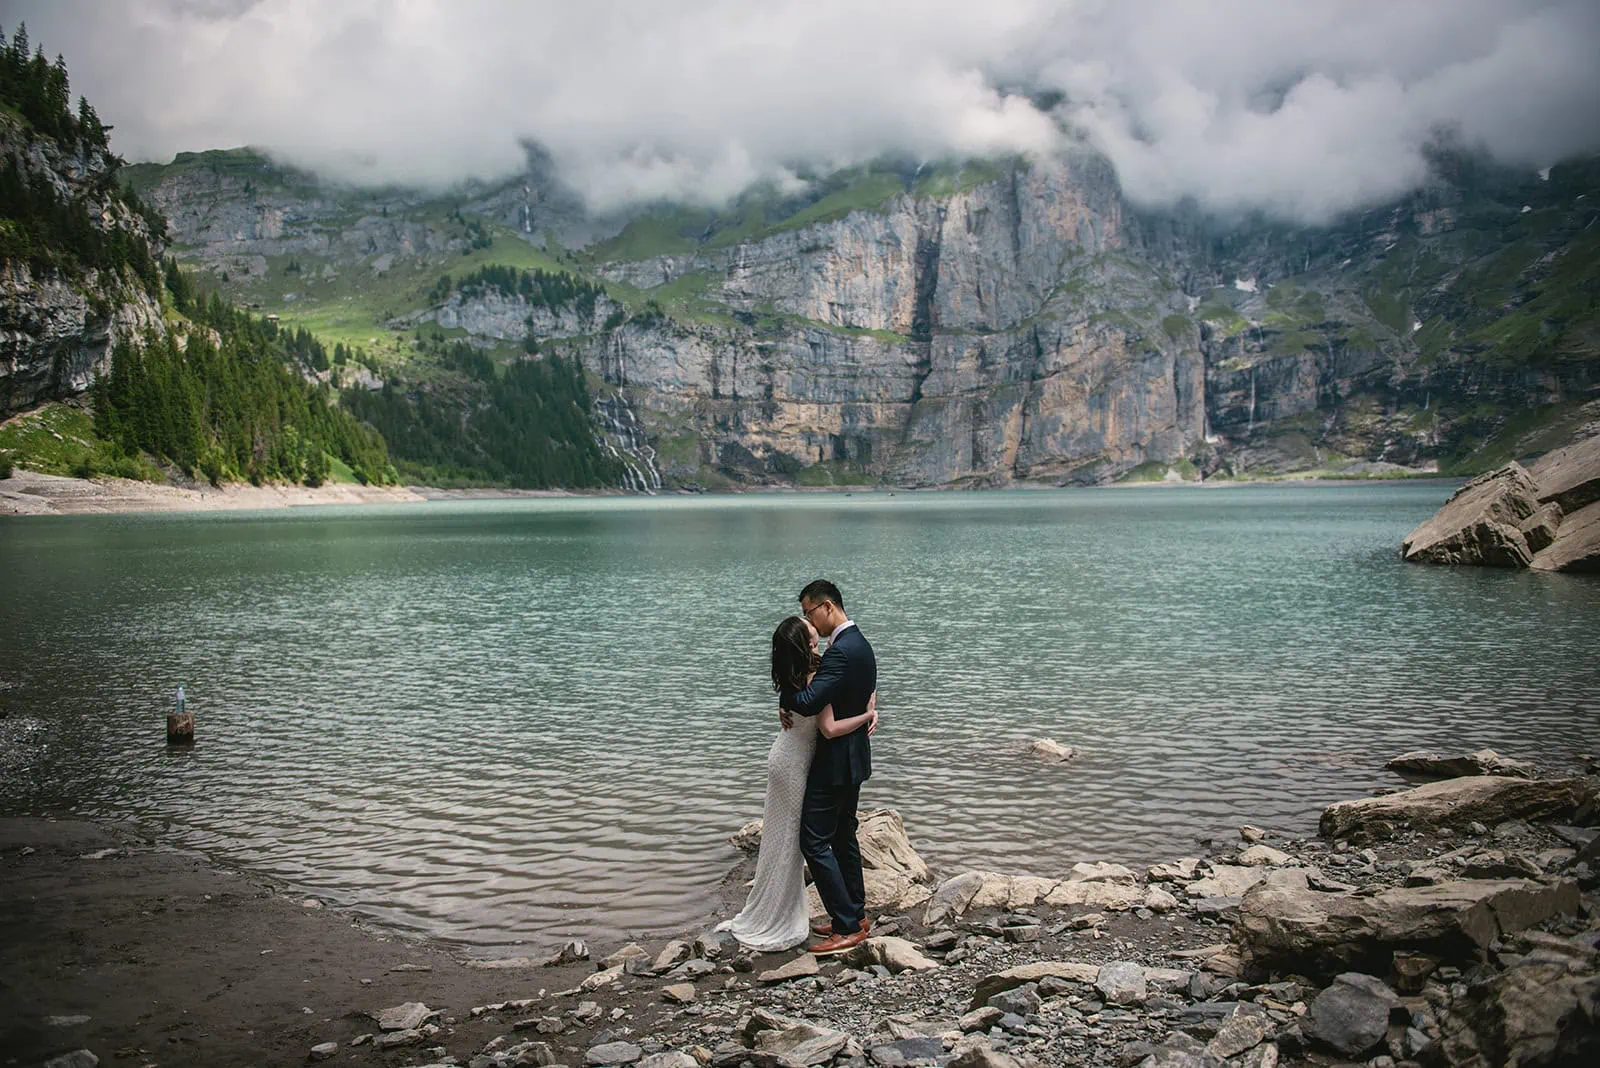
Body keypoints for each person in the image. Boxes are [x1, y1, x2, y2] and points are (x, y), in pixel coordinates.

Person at [716, 615, 877, 951]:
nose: (814, 626)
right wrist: (869, 714)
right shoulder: (818, 673)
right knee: (797, 838)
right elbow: (829, 727)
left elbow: (821, 692)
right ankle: (835, 917)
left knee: (794, 837)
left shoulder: (799, 670)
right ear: (805, 641)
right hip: (793, 764)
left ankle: (836, 915)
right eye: (808, 626)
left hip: (788, 757)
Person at [779, 579, 877, 955]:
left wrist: (784, 693)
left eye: (809, 612)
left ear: (827, 607)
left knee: (814, 840)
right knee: (842, 836)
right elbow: (868, 687)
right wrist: (871, 709)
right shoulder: (860, 644)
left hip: (835, 761)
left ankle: (847, 925)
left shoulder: (840, 652)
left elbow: (807, 702)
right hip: (854, 758)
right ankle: (855, 914)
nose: (809, 621)